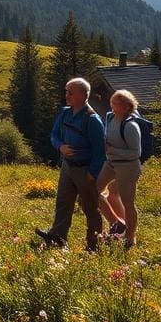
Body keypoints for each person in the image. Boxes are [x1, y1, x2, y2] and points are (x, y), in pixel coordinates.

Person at [35, 78, 105, 251]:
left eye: (70, 92)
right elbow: (54, 136)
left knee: (90, 207)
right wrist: (61, 146)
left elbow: (100, 151)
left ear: (84, 95)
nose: (67, 95)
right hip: (67, 167)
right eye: (66, 91)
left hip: (85, 169)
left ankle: (94, 244)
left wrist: (92, 174)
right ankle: (58, 238)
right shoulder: (65, 113)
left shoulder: (93, 120)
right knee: (63, 202)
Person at [96, 89, 142, 249]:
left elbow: (136, 153)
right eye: (112, 102)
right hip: (111, 163)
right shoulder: (110, 117)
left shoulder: (131, 126)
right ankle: (117, 223)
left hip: (128, 167)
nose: (111, 105)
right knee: (94, 191)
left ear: (126, 106)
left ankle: (130, 237)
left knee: (128, 202)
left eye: (115, 103)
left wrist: (113, 150)